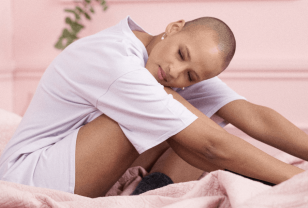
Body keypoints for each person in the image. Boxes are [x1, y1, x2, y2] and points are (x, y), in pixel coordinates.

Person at [0, 16, 306, 198]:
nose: (175, 71)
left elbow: (252, 115)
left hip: (77, 158)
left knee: (200, 117)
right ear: (174, 27)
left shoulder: (164, 65)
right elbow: (211, 147)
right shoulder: (117, 60)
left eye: (191, 75)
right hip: (31, 175)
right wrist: (296, 182)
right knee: (174, 120)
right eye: (181, 54)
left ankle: (150, 190)